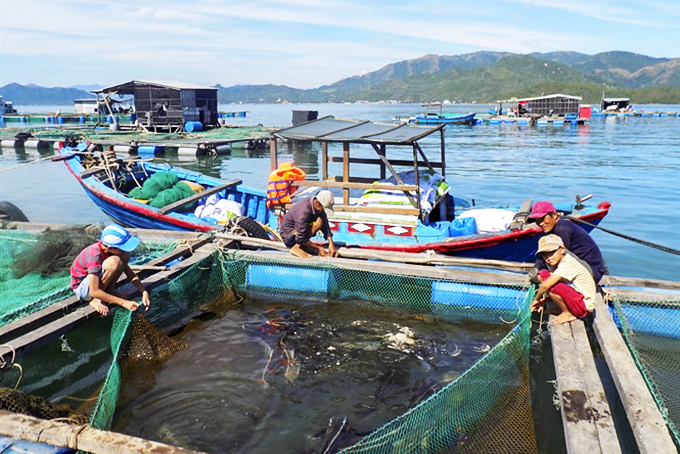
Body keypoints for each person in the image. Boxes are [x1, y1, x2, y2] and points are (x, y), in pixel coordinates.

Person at [70, 224, 150, 315]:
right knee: (114, 262)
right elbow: (94, 291)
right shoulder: (94, 255)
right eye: (122, 248)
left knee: (123, 257)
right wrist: (123, 303)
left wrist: (143, 291)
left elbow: (129, 273)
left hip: (95, 284)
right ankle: (96, 300)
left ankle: (108, 291)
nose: (124, 250)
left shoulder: (111, 251)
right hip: (83, 288)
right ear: (110, 248)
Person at [529, 201, 607, 283]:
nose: (541, 224)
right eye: (537, 221)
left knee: (548, 277)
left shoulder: (562, 229)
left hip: (591, 272)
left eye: (543, 219)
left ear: (554, 215)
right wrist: (536, 267)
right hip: (584, 267)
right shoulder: (554, 227)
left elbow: (556, 254)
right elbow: (546, 253)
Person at [530, 234, 597, 325]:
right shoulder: (560, 262)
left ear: (563, 249)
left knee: (548, 280)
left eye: (552, 253)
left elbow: (546, 285)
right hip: (578, 301)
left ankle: (568, 313)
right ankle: (563, 308)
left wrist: (536, 299)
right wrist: (544, 301)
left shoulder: (567, 263)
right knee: (545, 274)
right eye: (544, 255)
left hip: (583, 307)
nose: (548, 258)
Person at [279, 190, 338, 259]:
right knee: (318, 223)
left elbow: (325, 224)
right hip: (289, 237)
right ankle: (296, 247)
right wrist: (318, 248)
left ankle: (300, 245)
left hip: (300, 233)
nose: (323, 211)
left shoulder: (317, 206)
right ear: (317, 203)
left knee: (320, 221)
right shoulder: (303, 211)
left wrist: (331, 243)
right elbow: (301, 238)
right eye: (323, 208)